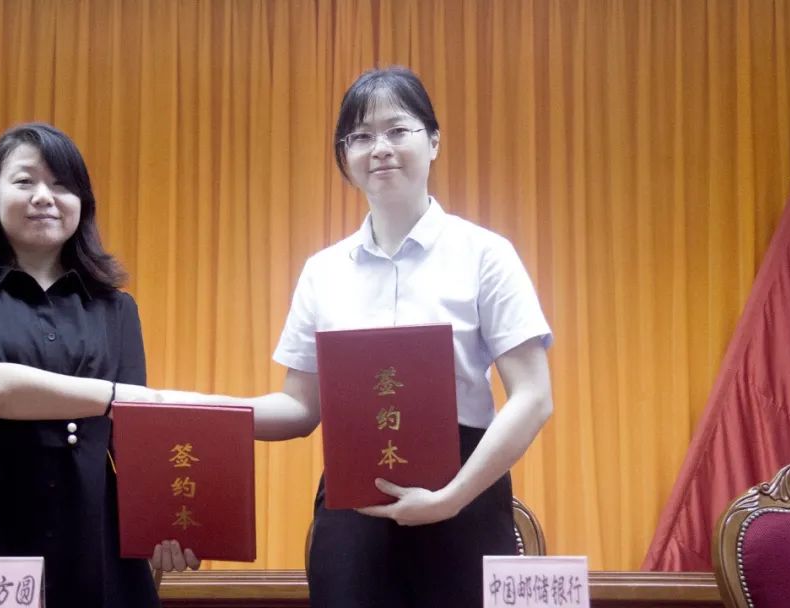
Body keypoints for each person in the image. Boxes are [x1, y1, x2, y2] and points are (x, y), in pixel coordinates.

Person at [159, 66, 554, 607]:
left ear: (434, 141)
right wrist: (202, 411)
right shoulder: (323, 271)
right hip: (354, 509)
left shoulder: (485, 254)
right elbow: (299, 408)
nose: (380, 148)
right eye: (361, 136)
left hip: (465, 498)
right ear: (345, 156)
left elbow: (533, 396)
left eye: (398, 130)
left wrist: (451, 497)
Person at [0, 123, 198, 608]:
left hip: (92, 525)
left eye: (62, 184)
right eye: (25, 181)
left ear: (82, 203)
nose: (44, 197)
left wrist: (165, 518)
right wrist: (116, 396)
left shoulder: (117, 308)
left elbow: (134, 437)